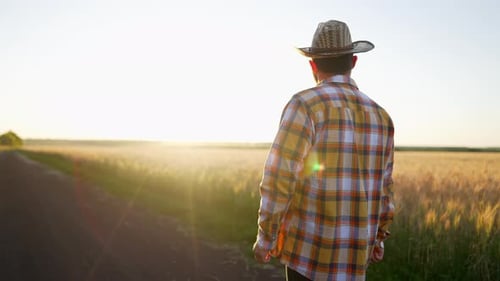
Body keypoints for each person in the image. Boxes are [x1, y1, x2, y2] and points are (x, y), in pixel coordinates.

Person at [253, 20, 395, 281]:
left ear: (313, 65)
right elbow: (385, 189)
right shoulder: (382, 117)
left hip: (307, 259)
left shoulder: (305, 105)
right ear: (353, 62)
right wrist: (379, 239)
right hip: (355, 261)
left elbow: (279, 177)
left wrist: (266, 237)